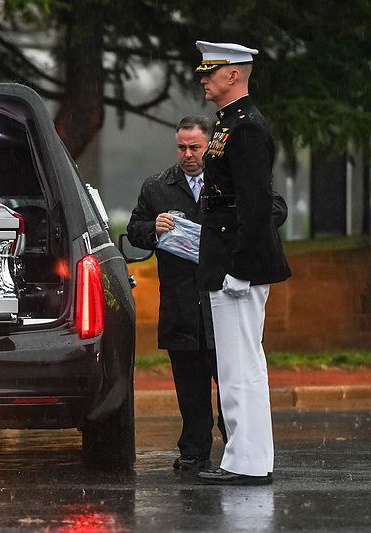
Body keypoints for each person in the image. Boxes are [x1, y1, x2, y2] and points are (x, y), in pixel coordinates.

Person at [128, 116, 288, 473]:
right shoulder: (157, 187)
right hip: (182, 300)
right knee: (189, 385)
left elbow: (274, 208)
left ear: (208, 146)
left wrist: (231, 231)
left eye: (195, 147)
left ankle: (236, 450)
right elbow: (135, 230)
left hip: (222, 294)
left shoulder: (229, 178)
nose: (188, 155)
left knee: (229, 380)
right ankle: (194, 451)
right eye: (182, 148)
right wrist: (153, 227)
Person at [193, 41, 291, 485]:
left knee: (240, 367)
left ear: (233, 74)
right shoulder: (229, 123)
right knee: (238, 366)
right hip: (227, 258)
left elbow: (255, 205)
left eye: (210, 70)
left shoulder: (246, 127)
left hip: (237, 263)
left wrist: (240, 268)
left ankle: (246, 462)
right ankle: (247, 458)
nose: (203, 78)